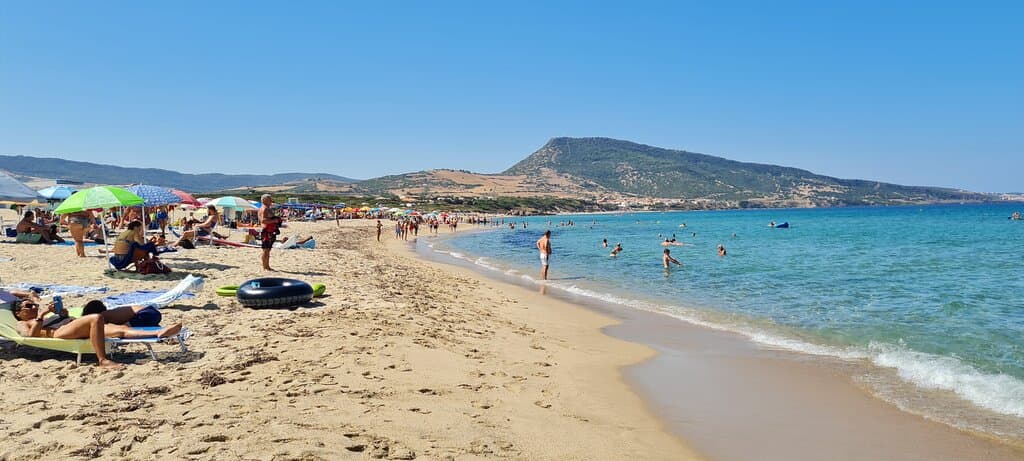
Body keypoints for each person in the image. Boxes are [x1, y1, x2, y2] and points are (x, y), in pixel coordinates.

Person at [11, 298, 181, 369]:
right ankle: (103, 360)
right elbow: (29, 337)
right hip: (59, 333)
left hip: (69, 325)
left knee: (119, 330)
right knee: (95, 318)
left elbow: (66, 319)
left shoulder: (42, 316)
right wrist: (41, 317)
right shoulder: (22, 323)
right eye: (28, 306)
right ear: (19, 312)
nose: (33, 307)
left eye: (34, 305)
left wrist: (61, 314)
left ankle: (160, 333)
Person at [258, 194, 283, 271]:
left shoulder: (266, 209)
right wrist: (275, 220)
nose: (271, 201)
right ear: (265, 200)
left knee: (267, 250)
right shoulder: (264, 209)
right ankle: (265, 267)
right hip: (266, 231)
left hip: (269, 231)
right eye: (270, 200)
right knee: (266, 250)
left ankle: (267, 266)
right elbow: (263, 220)